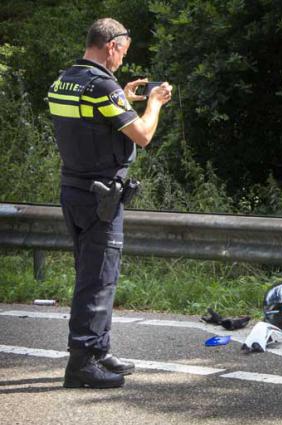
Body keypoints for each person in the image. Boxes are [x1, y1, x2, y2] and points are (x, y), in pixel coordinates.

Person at [47, 17, 172, 388]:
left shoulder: (65, 80)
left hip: (74, 190)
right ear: (112, 46)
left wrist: (121, 94)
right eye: (122, 54)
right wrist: (153, 102)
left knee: (92, 273)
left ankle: (98, 351)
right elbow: (144, 134)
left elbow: (90, 120)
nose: (120, 61)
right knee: (99, 278)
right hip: (100, 194)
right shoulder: (103, 86)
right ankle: (83, 363)